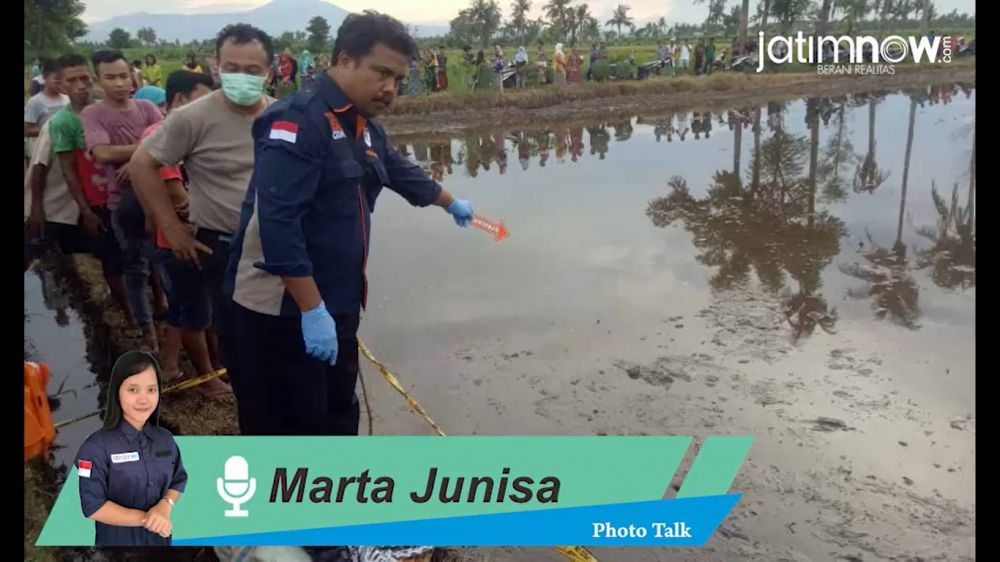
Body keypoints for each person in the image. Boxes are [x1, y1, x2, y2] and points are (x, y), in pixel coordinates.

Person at [223, 11, 474, 436]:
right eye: (381, 73)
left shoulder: (362, 125)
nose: (390, 88)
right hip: (282, 311)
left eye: (397, 78)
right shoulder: (297, 120)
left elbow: (397, 169)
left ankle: (336, 497)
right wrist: (311, 309)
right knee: (286, 430)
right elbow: (278, 225)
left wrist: (451, 204)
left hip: (336, 302)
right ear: (343, 60)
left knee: (337, 417)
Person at [131, 24, 276, 387]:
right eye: (232, 68)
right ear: (216, 68)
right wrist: (172, 228)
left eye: (253, 70)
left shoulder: (281, 115)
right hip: (224, 247)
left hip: (278, 246)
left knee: (279, 337)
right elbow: (140, 165)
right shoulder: (192, 117)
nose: (241, 77)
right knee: (238, 339)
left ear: (270, 72)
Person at [138, 70, 232, 399]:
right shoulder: (164, 135)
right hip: (181, 244)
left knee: (186, 309)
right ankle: (207, 378)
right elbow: (179, 197)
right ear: (180, 99)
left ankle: (177, 365)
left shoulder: (183, 132)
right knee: (196, 312)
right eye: (204, 100)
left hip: (179, 240)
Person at [81, 50, 163, 350]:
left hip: (158, 201)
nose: (118, 83)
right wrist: (145, 152)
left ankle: (172, 320)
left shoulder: (146, 107)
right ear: (98, 81)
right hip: (123, 204)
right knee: (135, 268)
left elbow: (169, 140)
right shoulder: (93, 114)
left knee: (165, 264)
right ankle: (148, 331)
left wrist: (135, 162)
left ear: (132, 76)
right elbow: (102, 153)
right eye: (110, 77)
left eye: (123, 75)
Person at [74, 351, 186, 546]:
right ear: (117, 392)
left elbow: (178, 480)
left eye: (151, 390)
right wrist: (148, 519)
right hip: (117, 548)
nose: (144, 399)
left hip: (161, 544)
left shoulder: (165, 439)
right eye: (133, 390)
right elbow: (93, 507)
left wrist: (165, 506)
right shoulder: (95, 447)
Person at [48, 54, 128, 315]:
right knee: (111, 257)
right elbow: (70, 171)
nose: (81, 85)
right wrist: (85, 210)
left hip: (125, 190)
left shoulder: (108, 111)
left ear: (93, 80)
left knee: (141, 252)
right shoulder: (62, 123)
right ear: (61, 85)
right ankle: (127, 310)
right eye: (72, 80)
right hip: (98, 200)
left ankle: (156, 302)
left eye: (85, 78)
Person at [24, 58, 68, 166]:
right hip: (40, 152)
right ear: (44, 77)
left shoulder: (67, 99)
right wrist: (52, 130)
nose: (61, 83)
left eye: (64, 79)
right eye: (57, 79)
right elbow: (27, 130)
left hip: (62, 150)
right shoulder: (35, 102)